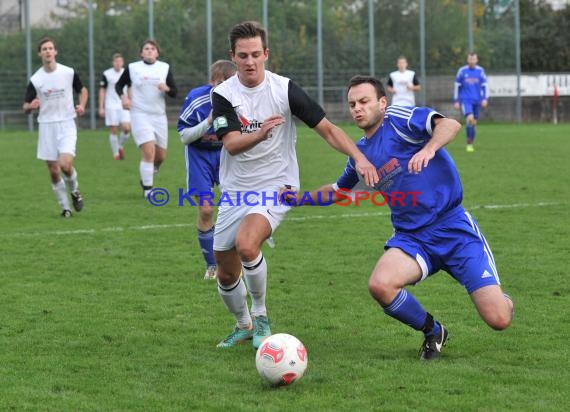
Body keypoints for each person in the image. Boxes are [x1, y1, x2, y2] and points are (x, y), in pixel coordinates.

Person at [281, 75, 513, 361]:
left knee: (499, 319)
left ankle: (500, 299)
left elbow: (450, 124)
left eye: (364, 101)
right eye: (352, 104)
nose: (357, 108)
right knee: (380, 284)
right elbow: (338, 191)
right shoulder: (360, 154)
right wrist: (300, 198)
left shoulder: (400, 120)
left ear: (382, 102)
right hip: (412, 238)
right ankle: (434, 331)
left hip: (453, 229)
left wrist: (428, 148)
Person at [210, 21, 379, 349]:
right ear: (233, 57)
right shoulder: (222, 94)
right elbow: (230, 144)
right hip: (235, 189)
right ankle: (243, 325)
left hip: (277, 183)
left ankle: (260, 315)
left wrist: (360, 157)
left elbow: (328, 129)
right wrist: (259, 133)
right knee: (226, 273)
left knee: (248, 245)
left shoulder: (284, 89)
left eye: (255, 54)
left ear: (266, 54)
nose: (249, 62)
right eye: (242, 55)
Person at [177, 60, 237, 280]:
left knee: (236, 206)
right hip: (198, 156)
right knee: (206, 210)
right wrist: (208, 121)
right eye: (221, 83)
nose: (226, 88)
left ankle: (234, 259)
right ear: (212, 82)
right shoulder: (197, 99)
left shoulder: (240, 100)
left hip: (225, 154)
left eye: (231, 83)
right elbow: (184, 136)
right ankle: (212, 265)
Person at [23, 37, 87, 218]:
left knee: (65, 165)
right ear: (39, 54)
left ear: (55, 52)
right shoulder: (36, 80)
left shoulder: (68, 72)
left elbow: (82, 90)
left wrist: (82, 105)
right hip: (46, 126)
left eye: (50, 48)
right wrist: (30, 106)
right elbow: (25, 107)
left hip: (67, 123)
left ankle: (75, 190)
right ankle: (65, 208)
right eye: (44, 49)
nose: (48, 51)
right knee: (53, 170)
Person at [115, 39, 178, 197]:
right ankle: (148, 190)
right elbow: (118, 85)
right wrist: (124, 97)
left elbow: (175, 92)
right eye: (146, 48)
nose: (149, 51)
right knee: (148, 151)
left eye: (152, 48)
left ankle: (152, 170)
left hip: (159, 116)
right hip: (140, 114)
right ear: (141, 53)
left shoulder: (164, 68)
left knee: (160, 156)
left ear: (157, 52)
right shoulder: (133, 68)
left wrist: (167, 88)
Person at [98, 53, 131, 160]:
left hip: (123, 104)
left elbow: (130, 88)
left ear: (123, 62)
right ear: (113, 63)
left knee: (126, 128)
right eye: (116, 61)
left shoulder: (127, 73)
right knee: (113, 130)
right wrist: (101, 107)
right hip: (111, 105)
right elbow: (102, 90)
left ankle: (120, 146)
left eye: (120, 61)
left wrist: (130, 101)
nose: (118, 63)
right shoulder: (107, 74)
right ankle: (116, 154)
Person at [453, 52, 488, 152]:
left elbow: (485, 86)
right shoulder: (462, 71)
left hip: (477, 100)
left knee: (474, 123)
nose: (472, 61)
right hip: (466, 100)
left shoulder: (480, 71)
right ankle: (469, 144)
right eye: (470, 59)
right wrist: (456, 100)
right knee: (470, 119)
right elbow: (457, 86)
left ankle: (471, 142)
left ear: (476, 60)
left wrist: (485, 98)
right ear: (467, 60)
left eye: (474, 59)